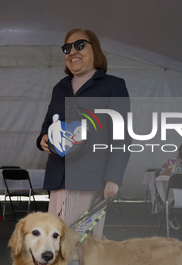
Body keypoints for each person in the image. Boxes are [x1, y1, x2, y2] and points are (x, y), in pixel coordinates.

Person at [36, 29, 130, 237]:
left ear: (95, 50)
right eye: (67, 48)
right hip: (59, 178)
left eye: (79, 45)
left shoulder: (113, 86)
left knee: (84, 246)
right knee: (56, 242)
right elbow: (46, 126)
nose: (72, 51)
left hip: (91, 181)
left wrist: (113, 178)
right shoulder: (59, 88)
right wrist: (42, 139)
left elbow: (121, 136)